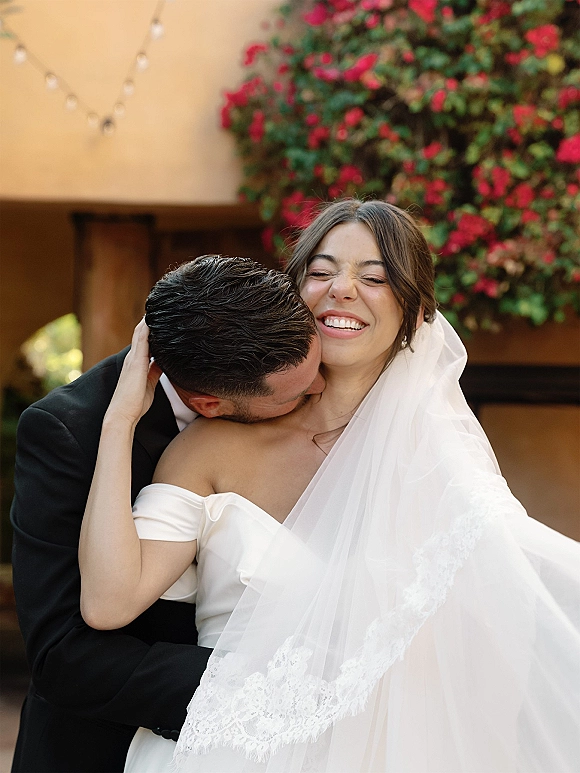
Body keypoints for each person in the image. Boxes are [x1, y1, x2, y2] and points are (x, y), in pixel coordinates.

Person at [79, 200, 580, 773]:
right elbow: (107, 603)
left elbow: (508, 618)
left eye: (375, 277)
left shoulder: (437, 467)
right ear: (294, 291)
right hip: (216, 753)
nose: (342, 288)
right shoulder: (211, 447)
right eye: (321, 271)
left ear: (416, 316)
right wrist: (118, 426)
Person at [10, 255, 325, 773]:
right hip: (101, 749)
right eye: (296, 393)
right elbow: (63, 657)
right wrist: (268, 682)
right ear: (209, 406)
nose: (318, 389)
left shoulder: (291, 368)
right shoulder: (66, 432)